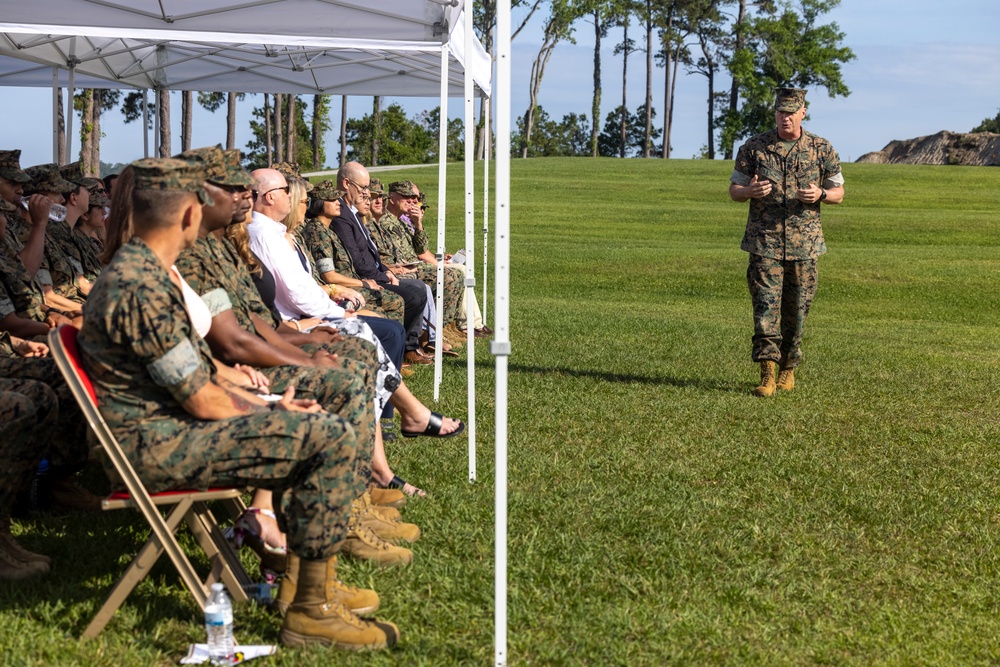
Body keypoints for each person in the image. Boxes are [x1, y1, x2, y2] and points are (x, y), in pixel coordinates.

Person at [78, 156, 400, 650]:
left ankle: (305, 587)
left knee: (316, 426)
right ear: (189, 214)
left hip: (166, 427)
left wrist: (260, 396)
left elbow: (196, 374)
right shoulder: (139, 285)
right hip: (152, 446)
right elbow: (203, 399)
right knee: (325, 435)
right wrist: (272, 409)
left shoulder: (149, 274)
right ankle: (310, 611)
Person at [729, 87, 844, 396]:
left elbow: (838, 193)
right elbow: (734, 190)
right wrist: (749, 193)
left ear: (802, 113)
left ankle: (788, 369)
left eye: (791, 113)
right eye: (781, 113)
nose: (785, 118)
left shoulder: (822, 148)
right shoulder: (754, 148)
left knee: (797, 310)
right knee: (765, 307)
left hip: (804, 246)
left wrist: (820, 194)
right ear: (775, 114)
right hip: (764, 242)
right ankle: (767, 372)